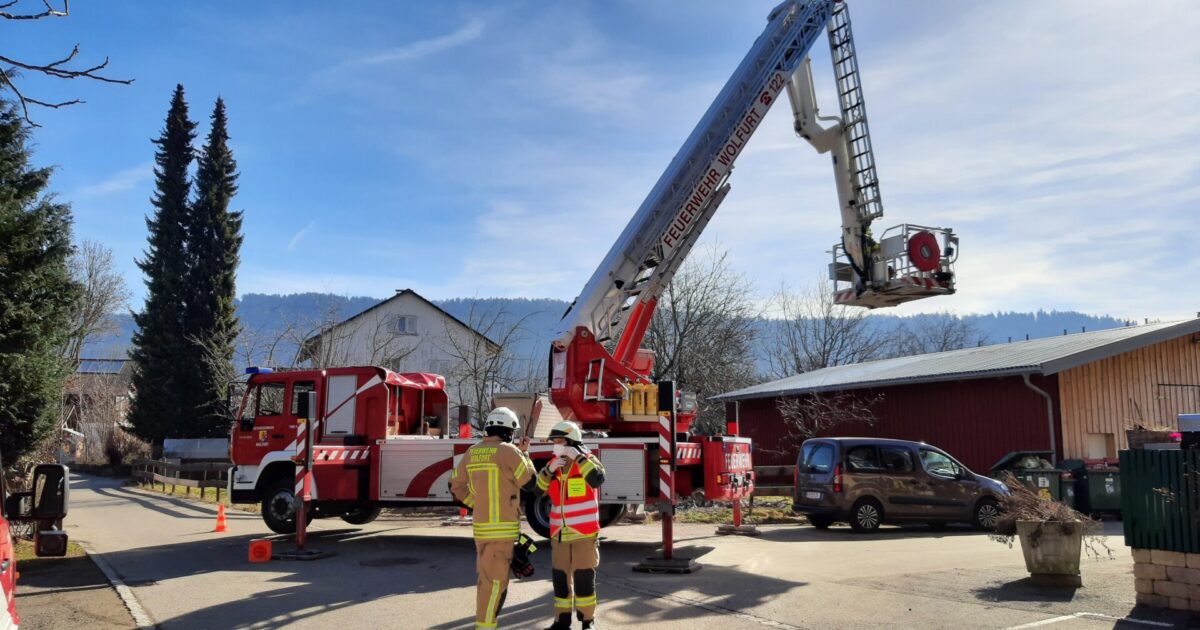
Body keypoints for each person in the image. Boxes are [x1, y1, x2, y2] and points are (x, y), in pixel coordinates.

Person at [450, 407, 535, 629]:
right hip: (503, 531)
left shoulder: (472, 452)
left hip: (482, 530)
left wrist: (477, 505)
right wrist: (525, 453)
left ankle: (488, 623)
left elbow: (455, 487)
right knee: (494, 585)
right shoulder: (508, 451)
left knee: (491, 582)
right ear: (508, 431)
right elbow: (531, 483)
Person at [535, 420, 606, 630]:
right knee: (559, 580)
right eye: (554, 441)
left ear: (571, 441)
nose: (555, 444)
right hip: (559, 533)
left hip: (584, 533)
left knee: (584, 580)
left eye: (558, 440)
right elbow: (538, 490)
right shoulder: (554, 464)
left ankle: (587, 621)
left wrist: (579, 458)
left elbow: (597, 478)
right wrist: (548, 470)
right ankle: (561, 621)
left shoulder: (588, 460)